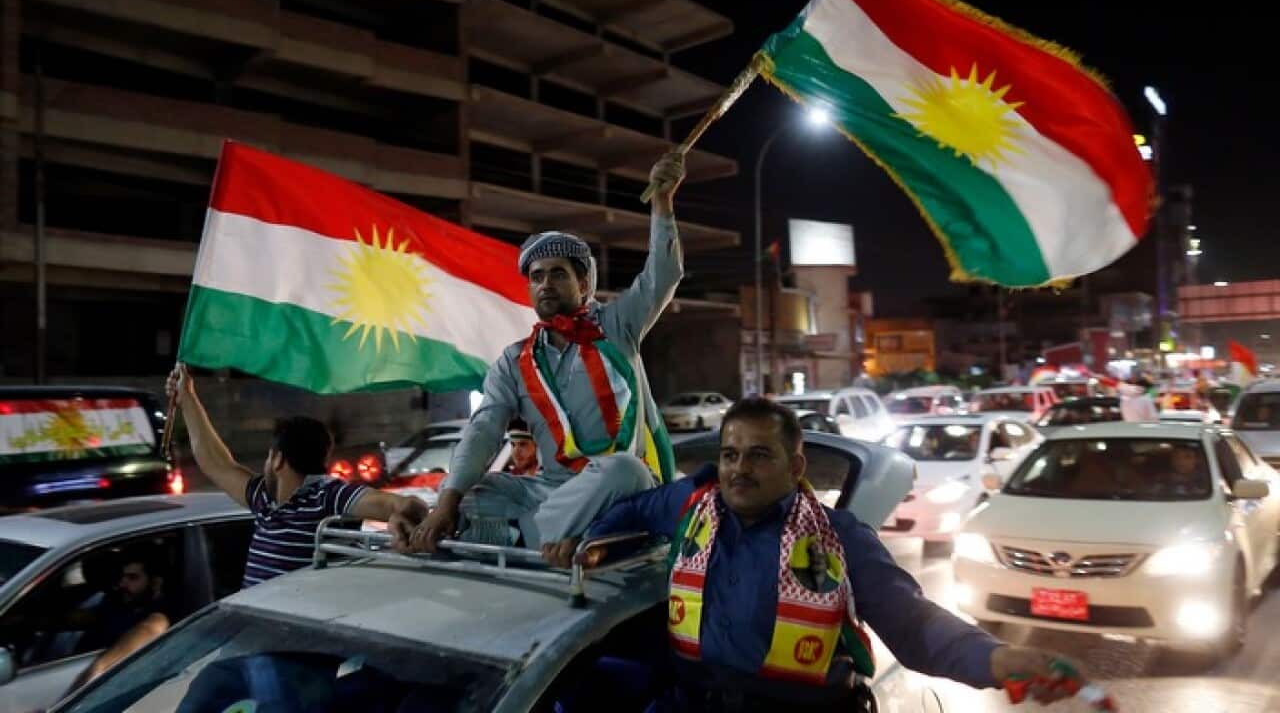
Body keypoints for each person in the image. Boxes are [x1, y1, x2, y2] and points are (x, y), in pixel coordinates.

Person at [549, 398, 1075, 711]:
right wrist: (589, 544)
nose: (739, 469)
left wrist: (995, 658)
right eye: (730, 455)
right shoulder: (689, 506)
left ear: (795, 465)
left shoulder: (839, 537)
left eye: (759, 455)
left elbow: (911, 622)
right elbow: (632, 509)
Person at [408, 151, 687, 555]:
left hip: (614, 486)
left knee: (625, 469)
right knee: (471, 493)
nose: (545, 284)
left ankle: (521, 537)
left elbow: (663, 275)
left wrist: (662, 203)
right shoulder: (515, 360)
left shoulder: (616, 327)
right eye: (537, 277)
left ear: (584, 285)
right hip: (551, 489)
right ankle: (549, 535)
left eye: (558, 273)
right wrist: (448, 502)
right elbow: (484, 429)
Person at [166, 365, 428, 585]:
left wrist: (401, 515)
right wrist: (187, 398)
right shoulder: (262, 498)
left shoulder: (328, 496)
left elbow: (409, 505)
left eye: (269, 456)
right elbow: (216, 463)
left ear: (278, 460)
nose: (266, 463)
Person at [68, 546, 175, 690]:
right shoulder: (118, 601)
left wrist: (98, 669)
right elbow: (88, 617)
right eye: (123, 577)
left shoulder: (160, 613)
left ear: (156, 583)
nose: (122, 584)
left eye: (133, 577)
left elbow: (151, 628)